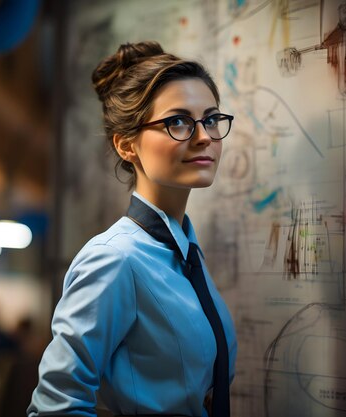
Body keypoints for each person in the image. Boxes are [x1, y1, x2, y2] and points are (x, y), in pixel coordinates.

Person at [28, 41, 237, 417]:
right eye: (178, 121)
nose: (204, 136)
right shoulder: (115, 258)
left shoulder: (186, 253)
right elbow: (54, 408)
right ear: (127, 146)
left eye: (210, 119)